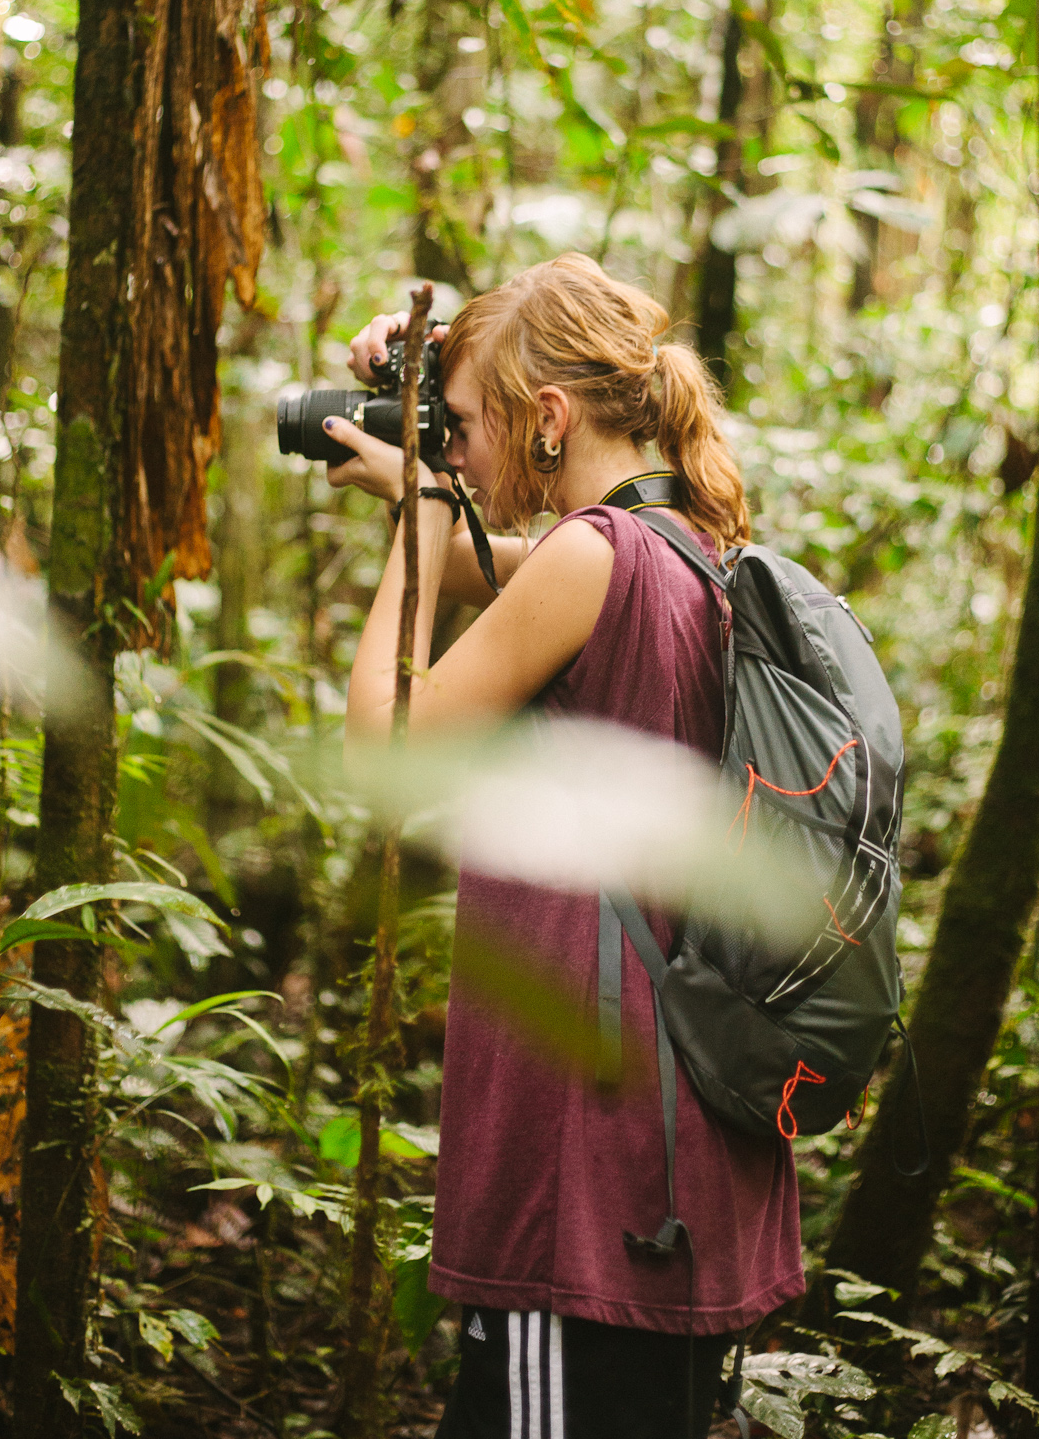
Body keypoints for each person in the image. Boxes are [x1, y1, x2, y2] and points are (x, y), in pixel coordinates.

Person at [325, 253, 803, 1439]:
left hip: (587, 1166)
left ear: (549, 416)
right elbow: (499, 562)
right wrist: (423, 429)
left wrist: (425, 511)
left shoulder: (592, 557)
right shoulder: (690, 547)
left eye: (478, 423)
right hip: (678, 1146)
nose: (466, 451)